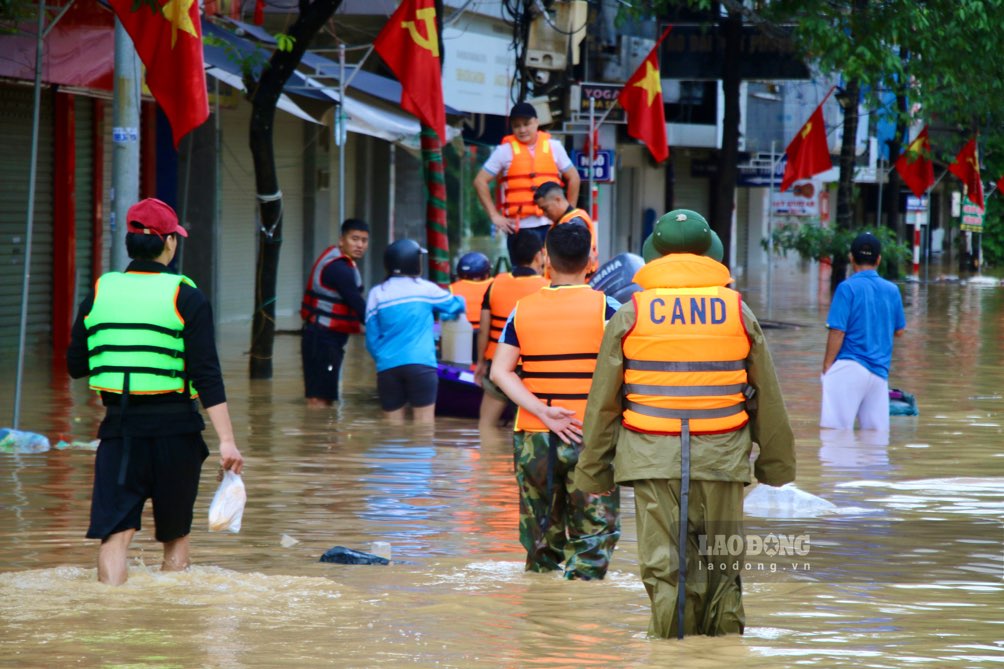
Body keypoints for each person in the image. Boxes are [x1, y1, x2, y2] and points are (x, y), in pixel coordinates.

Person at [575, 209, 796, 638]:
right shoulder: (737, 310)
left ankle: (671, 655)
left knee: (665, 569)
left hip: (652, 460)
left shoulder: (630, 314)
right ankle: (722, 656)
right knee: (722, 566)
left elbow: (603, 404)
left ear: (655, 255)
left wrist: (594, 470)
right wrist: (775, 464)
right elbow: (768, 396)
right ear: (708, 252)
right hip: (723, 458)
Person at [66, 198, 244, 585]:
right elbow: (207, 374)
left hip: (120, 431)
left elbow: (76, 365)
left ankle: (110, 620)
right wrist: (227, 441)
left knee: (115, 535)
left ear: (130, 243)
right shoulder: (187, 297)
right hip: (177, 433)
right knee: (175, 534)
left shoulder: (100, 292)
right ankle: (172, 621)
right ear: (169, 243)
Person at [490, 223, 620, 579]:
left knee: (540, 538)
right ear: (591, 259)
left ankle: (541, 616)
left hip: (535, 436)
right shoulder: (609, 309)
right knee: (593, 537)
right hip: (590, 436)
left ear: (546, 257)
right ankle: (578, 620)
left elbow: (500, 373)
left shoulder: (523, 309)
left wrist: (544, 412)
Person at [365, 239, 466, 424]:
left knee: (392, 434)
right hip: (421, 366)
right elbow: (456, 305)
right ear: (414, 263)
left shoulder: (376, 293)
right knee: (424, 429)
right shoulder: (426, 289)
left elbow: (371, 339)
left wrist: (383, 359)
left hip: (388, 369)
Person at [821, 232, 906, 431]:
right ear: (878, 260)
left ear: (851, 258)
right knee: (875, 441)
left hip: (849, 367)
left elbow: (838, 331)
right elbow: (900, 331)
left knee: (835, 435)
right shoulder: (892, 290)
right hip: (879, 374)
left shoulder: (847, 288)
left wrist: (827, 367)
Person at [472, 102, 581, 258]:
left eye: (526, 124)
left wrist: (569, 214)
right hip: (519, 228)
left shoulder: (554, 146)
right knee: (524, 276)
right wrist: (494, 216)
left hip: (552, 225)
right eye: (517, 126)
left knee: (554, 272)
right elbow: (480, 181)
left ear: (536, 122)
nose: (522, 130)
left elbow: (574, 177)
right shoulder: (504, 151)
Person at [474, 230, 548, 429]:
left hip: (498, 364)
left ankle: (488, 460)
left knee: (486, 427)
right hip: (532, 370)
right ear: (538, 256)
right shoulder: (548, 288)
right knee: (530, 428)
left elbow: (484, 329)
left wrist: (480, 362)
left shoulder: (494, 284)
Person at [300, 218, 370, 408]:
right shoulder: (339, 268)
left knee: (326, 397)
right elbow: (358, 305)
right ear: (342, 240)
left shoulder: (344, 263)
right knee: (318, 399)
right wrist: (385, 330)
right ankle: (319, 434)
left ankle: (323, 434)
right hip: (322, 339)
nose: (359, 245)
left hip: (327, 338)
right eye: (354, 239)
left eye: (364, 240)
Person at [532, 180, 599, 275]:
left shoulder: (575, 223)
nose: (544, 214)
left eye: (545, 208)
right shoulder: (561, 222)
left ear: (558, 200)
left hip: (575, 285)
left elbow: (576, 261)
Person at [449, 251, 493, 365]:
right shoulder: (495, 285)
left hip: (460, 343)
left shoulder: (452, 289)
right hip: (487, 342)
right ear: (486, 273)